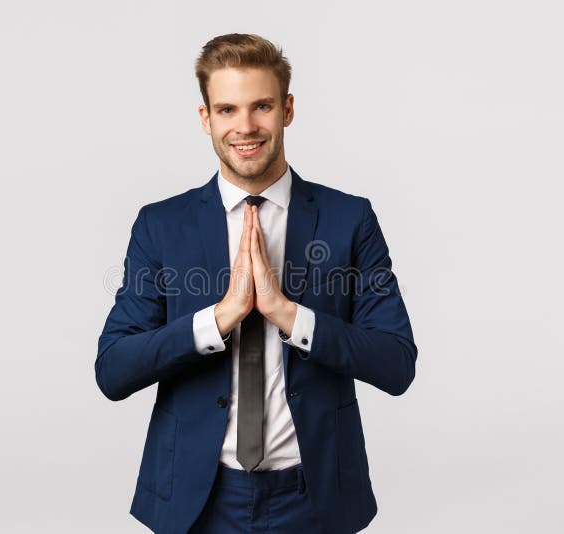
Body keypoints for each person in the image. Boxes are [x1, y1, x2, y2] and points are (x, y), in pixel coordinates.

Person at [95, 33, 418, 534]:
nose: (244, 127)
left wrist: (289, 315)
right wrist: (218, 319)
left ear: (287, 109)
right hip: (197, 498)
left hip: (315, 499)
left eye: (261, 106)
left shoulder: (349, 220)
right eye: (227, 109)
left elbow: (397, 364)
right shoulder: (160, 225)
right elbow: (113, 370)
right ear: (206, 118)